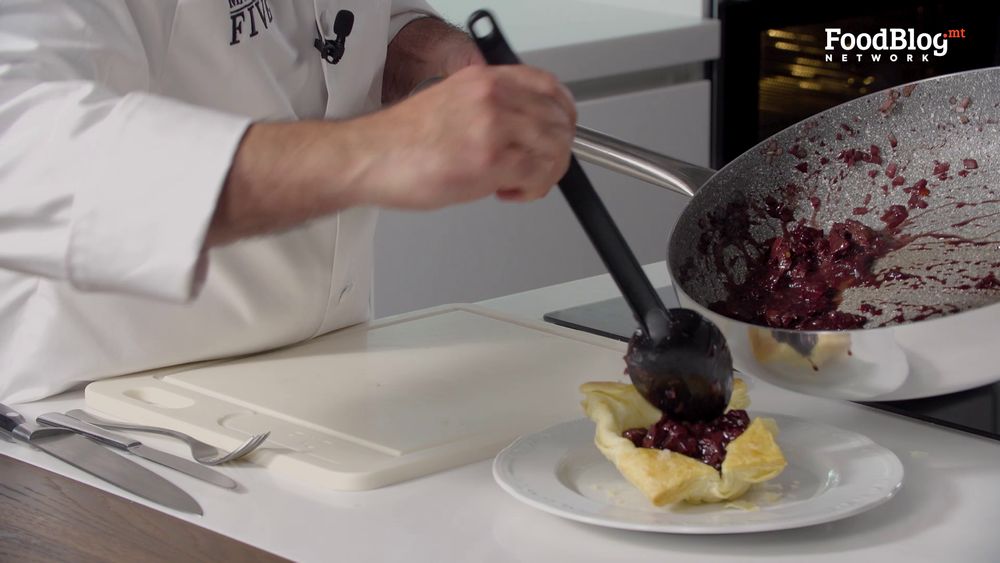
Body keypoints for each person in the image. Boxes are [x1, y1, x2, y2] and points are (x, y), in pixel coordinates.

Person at [0, 1, 576, 402]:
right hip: (94, 418)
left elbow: (318, 22)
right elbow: (21, 149)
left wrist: (416, 43)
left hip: (330, 380)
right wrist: (372, 151)